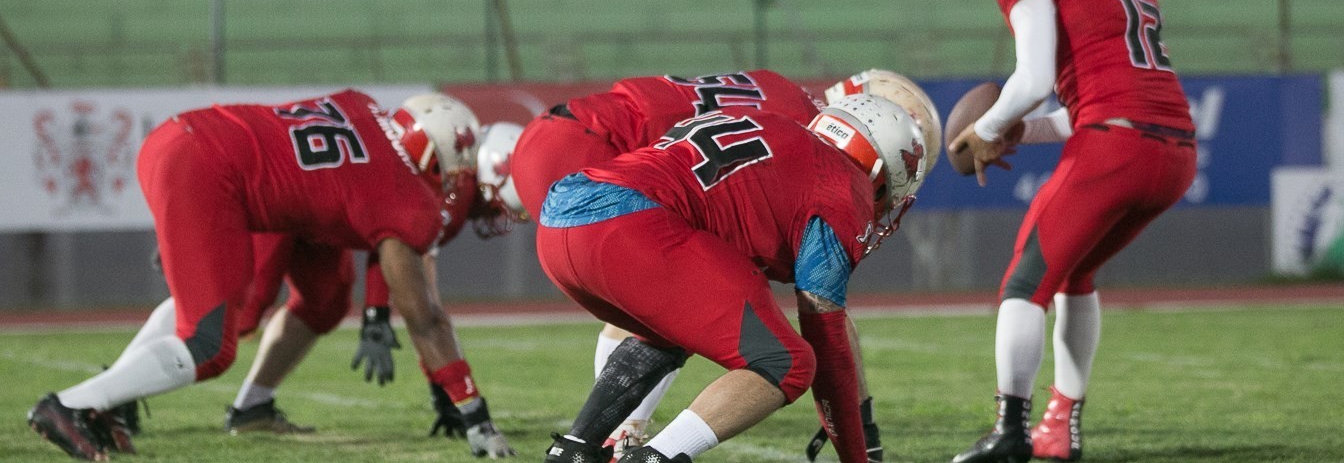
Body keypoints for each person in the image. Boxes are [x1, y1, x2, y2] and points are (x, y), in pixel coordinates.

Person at [26, 90, 516, 460]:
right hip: (214, 174)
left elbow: (331, 183)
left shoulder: (360, 105)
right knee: (210, 344)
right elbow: (424, 317)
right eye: (455, 169)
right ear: (437, 156)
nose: (456, 182)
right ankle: (70, 403)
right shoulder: (406, 195)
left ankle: (108, 401)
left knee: (257, 302)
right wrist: (473, 410)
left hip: (187, 135)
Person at [941, 0, 1197, 463]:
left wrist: (983, 130)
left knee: (1025, 284)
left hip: (1117, 146)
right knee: (1074, 278)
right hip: (1173, 151)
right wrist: (1013, 132)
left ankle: (1010, 431)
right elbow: (1092, 105)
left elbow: (1030, 81)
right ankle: (1061, 427)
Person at [537, 93, 934, 463]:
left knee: (670, 333)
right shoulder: (844, 184)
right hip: (628, 225)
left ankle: (575, 450)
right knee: (788, 362)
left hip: (561, 216)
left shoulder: (772, 122)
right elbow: (825, 335)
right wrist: (856, 455)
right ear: (881, 171)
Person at [510, 71, 831, 455]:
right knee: (667, 291)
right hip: (594, 149)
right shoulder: (803, 129)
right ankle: (623, 438)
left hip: (563, 134)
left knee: (672, 301)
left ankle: (583, 445)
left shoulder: (777, 87)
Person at [220, 121, 527, 448]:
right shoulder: (445, 190)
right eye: (496, 204)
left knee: (326, 303)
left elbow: (413, 287)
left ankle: (251, 407)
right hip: (285, 198)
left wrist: (378, 316)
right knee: (239, 313)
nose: (494, 215)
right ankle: (173, 344)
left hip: (318, 215)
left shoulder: (443, 181)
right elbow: (422, 305)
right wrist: (450, 393)